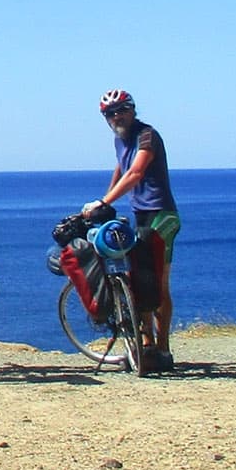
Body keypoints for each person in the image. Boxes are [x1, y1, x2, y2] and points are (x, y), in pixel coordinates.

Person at [76, 88, 181, 369]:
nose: (116, 116)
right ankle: (145, 344)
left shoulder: (147, 135)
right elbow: (122, 168)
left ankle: (163, 348)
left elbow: (136, 172)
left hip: (162, 214)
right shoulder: (119, 139)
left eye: (121, 110)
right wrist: (105, 202)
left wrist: (104, 200)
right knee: (138, 278)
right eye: (109, 113)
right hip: (140, 214)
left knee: (158, 280)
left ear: (133, 109)